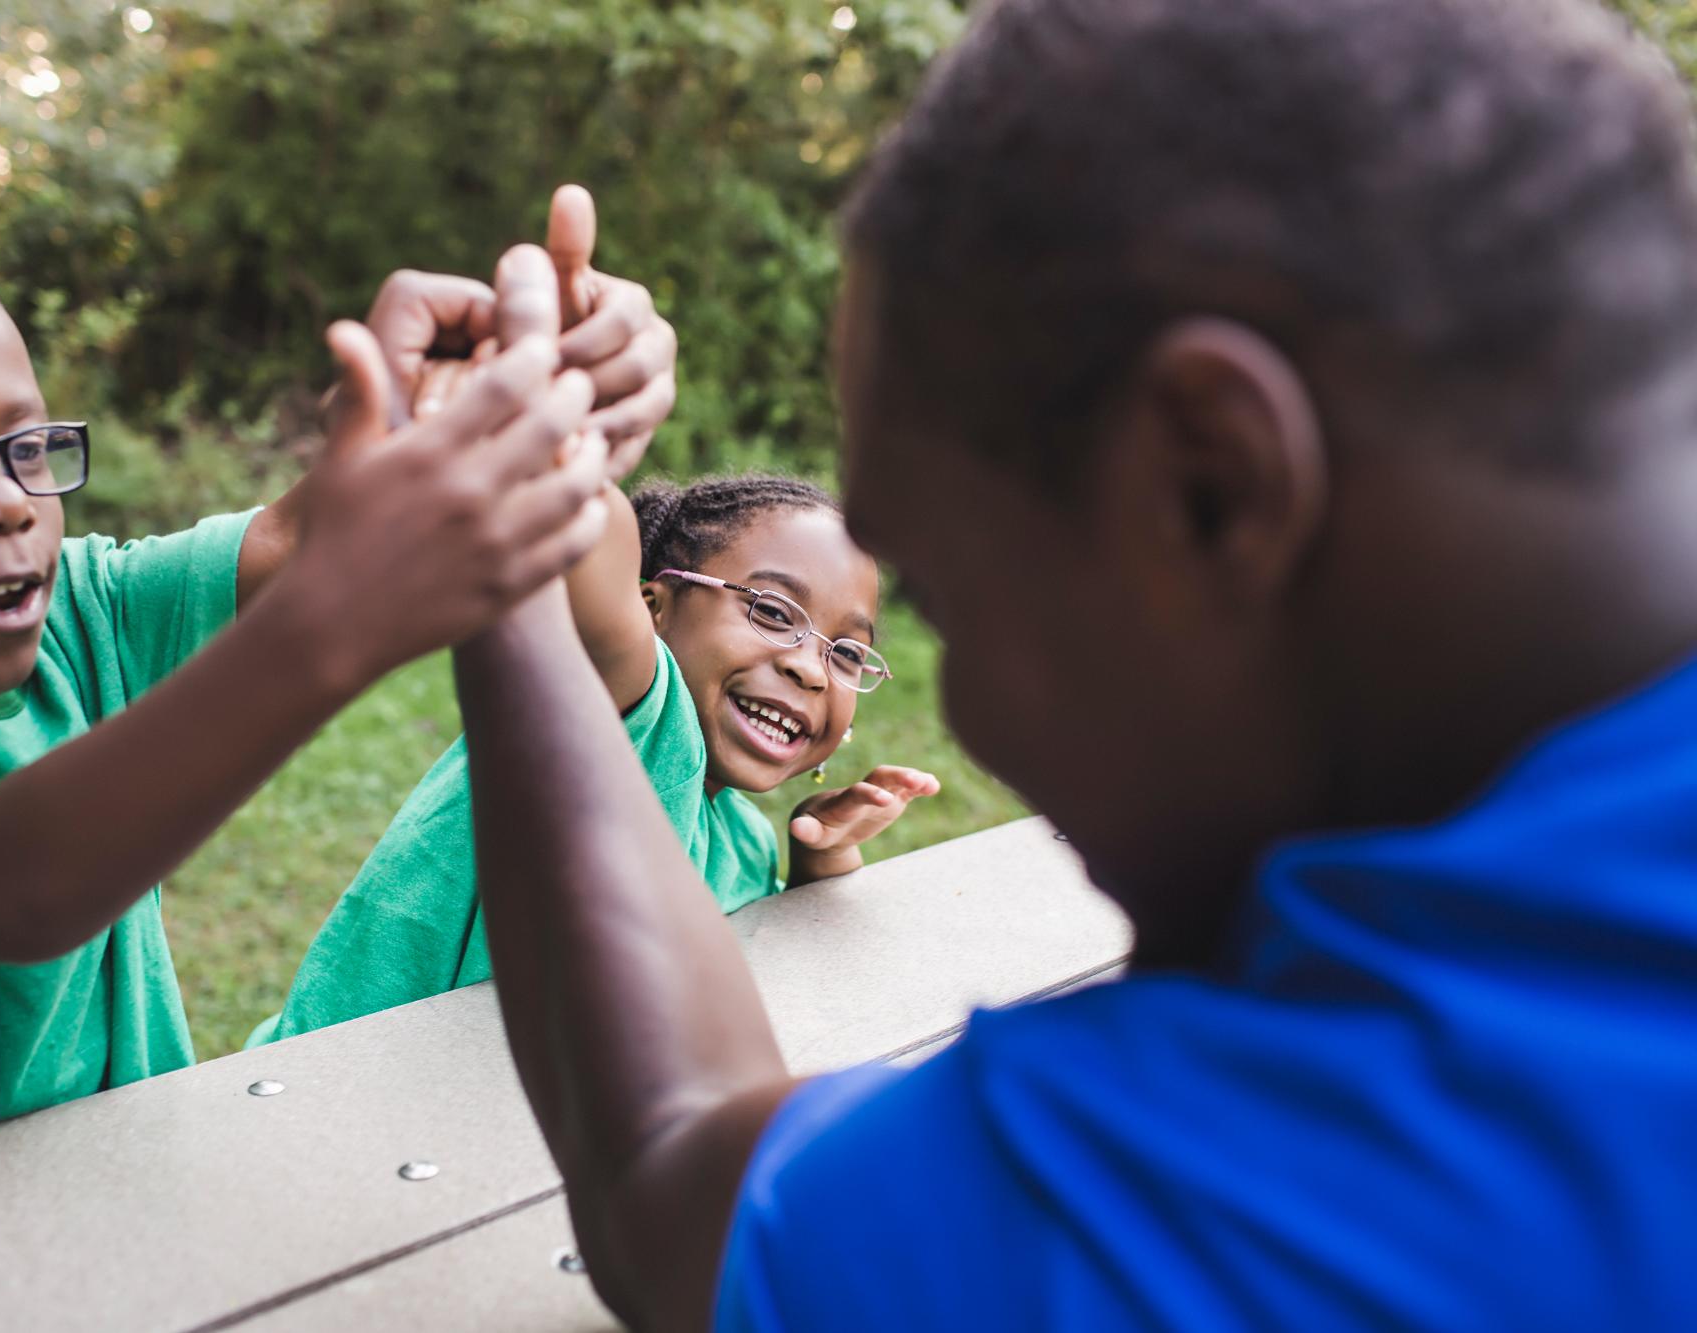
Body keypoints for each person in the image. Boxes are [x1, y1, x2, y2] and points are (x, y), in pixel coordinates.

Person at [447, 0, 1697, 1328]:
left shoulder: (1290, 1171)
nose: (968, 716)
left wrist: (495, 552)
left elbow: (672, 1182)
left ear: (1209, 485)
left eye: (946, 598)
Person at [0, 186, 675, 1187]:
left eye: (26, 449)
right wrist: (335, 621)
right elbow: (6, 889)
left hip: (153, 1230)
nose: (6, 505)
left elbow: (302, 538)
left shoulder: (75, 617)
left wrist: (476, 401)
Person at [255, 472, 938, 1042]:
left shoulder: (746, 844)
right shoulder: (627, 732)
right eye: (773, 610)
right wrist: (583, 419)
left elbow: (789, 991)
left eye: (846, 653)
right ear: (652, 609)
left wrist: (818, 861)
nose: (812, 670)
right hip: (324, 1114)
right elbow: (591, 548)